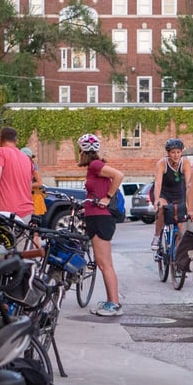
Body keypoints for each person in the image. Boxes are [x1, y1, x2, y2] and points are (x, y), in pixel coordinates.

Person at [77, 133, 125, 317]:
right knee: (104, 263)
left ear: (82, 150)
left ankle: (114, 304)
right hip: (96, 216)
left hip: (101, 218)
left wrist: (107, 198)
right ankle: (110, 301)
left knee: (104, 264)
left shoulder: (96, 165)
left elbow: (119, 175)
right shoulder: (93, 167)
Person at [150, 138, 192, 250]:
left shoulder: (185, 163)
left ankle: (179, 251)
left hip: (179, 193)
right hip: (164, 193)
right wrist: (157, 200)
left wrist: (190, 202)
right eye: (173, 152)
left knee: (181, 223)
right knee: (162, 208)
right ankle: (157, 236)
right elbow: (158, 184)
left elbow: (188, 184)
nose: (176, 155)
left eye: (178, 152)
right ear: (168, 153)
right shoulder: (162, 163)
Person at [0, 127, 34, 220]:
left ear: (0, 139)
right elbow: (29, 185)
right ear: (16, 141)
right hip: (27, 213)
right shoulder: (26, 159)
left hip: (4, 213)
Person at [22, 146, 47, 216]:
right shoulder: (22, 167)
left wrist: (25, 185)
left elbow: (39, 183)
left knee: (33, 222)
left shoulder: (33, 167)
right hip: (28, 197)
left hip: (35, 197)